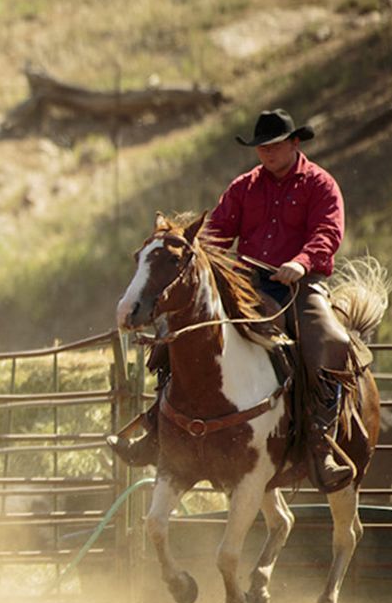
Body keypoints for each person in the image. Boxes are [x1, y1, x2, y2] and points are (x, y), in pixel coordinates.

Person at [108, 109, 360, 490]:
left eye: (274, 146)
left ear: (295, 143)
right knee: (180, 335)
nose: (267, 154)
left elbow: (327, 232)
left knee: (329, 341)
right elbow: (216, 235)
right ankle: (158, 429)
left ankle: (320, 441)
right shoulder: (244, 187)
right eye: (261, 148)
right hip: (246, 285)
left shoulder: (320, 185)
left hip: (300, 285)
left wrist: (300, 262)